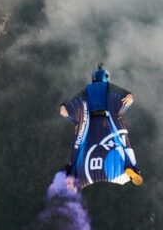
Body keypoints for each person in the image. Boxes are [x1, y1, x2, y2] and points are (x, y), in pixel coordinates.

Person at [59, 63, 143, 191]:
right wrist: (129, 96)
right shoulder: (108, 87)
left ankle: (73, 175)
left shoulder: (86, 90)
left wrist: (64, 106)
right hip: (108, 121)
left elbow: (71, 102)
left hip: (90, 125)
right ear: (106, 77)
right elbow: (125, 96)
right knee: (121, 144)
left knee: (81, 150)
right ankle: (130, 167)